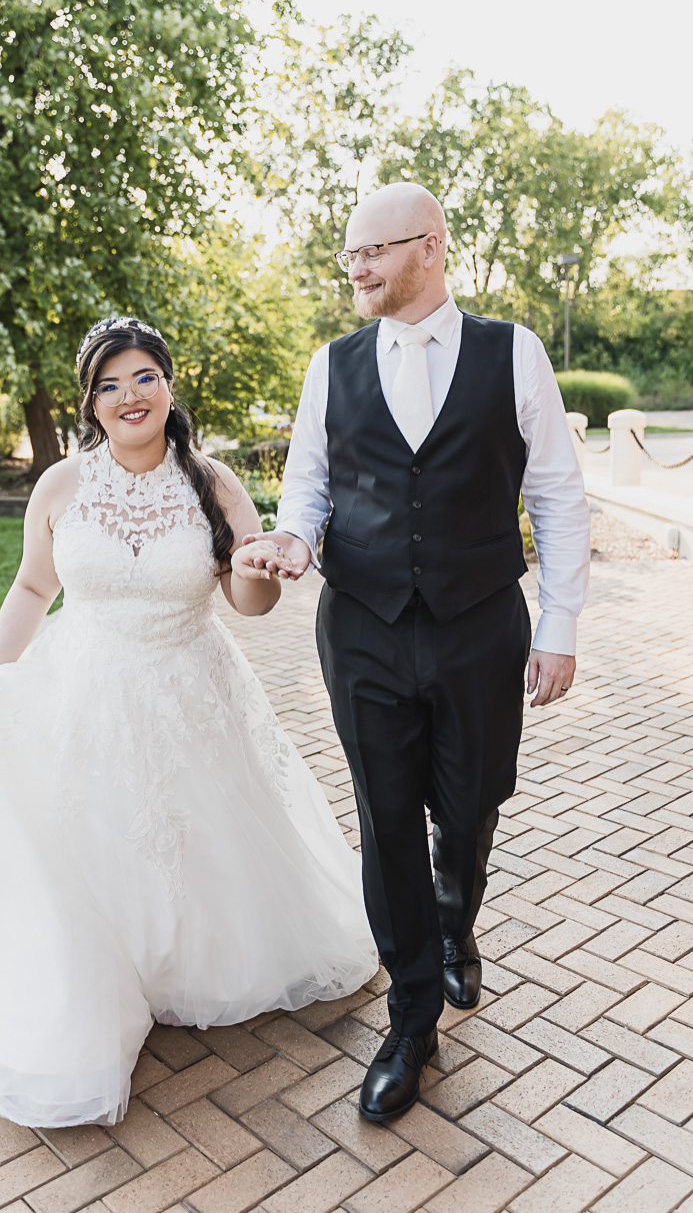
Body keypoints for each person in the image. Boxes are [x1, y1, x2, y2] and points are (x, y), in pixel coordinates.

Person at [0, 316, 377, 1130]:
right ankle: (104, 974)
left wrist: (260, 568)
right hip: (84, 689)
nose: (129, 396)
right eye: (110, 384)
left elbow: (247, 601)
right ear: (91, 402)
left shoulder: (212, 482)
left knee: (196, 843)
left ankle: (184, 969)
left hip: (193, 689)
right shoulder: (61, 485)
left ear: (168, 385)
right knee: (90, 843)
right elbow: (30, 591)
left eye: (143, 377)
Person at [246, 182, 591, 1122]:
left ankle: (454, 917)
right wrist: (294, 544)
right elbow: (309, 488)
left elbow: (559, 496)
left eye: (372, 253)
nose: (355, 270)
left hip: (481, 625)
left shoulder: (513, 352)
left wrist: (559, 626)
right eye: (348, 255)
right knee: (387, 813)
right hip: (361, 628)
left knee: (471, 800)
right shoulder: (333, 364)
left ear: (430, 248)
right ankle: (411, 1019)